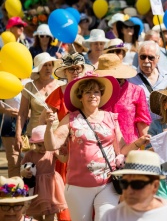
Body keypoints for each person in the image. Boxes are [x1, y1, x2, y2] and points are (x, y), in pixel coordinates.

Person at [43, 73, 150, 221]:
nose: (92, 95)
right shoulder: (71, 118)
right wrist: (49, 126)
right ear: (80, 97)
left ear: (101, 95)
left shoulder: (111, 117)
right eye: (88, 92)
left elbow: (122, 149)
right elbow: (51, 145)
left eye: (96, 92)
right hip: (78, 186)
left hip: (108, 184)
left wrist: (138, 142)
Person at [47, 52, 94, 221]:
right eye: (71, 69)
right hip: (66, 149)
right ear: (65, 72)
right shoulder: (59, 92)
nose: (75, 71)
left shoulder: (91, 91)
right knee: (66, 193)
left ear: (83, 69)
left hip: (90, 148)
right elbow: (46, 118)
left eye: (78, 68)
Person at [102, 150, 167, 221]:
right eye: (124, 183)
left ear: (155, 186)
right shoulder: (111, 217)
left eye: (137, 184)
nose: (129, 190)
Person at [95, 54, 151, 144]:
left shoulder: (136, 91)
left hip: (130, 146)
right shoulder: (95, 93)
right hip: (103, 147)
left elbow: (142, 123)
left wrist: (148, 144)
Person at [15, 53, 64, 149]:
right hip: (35, 137)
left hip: (56, 136)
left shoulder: (61, 85)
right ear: (38, 68)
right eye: (45, 65)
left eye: (50, 65)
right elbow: (23, 113)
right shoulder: (29, 86)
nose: (48, 68)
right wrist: (18, 135)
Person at [21, 125, 67, 221]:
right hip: (36, 187)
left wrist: (66, 152)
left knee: (50, 212)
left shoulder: (52, 151)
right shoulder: (30, 154)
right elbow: (22, 168)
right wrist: (25, 172)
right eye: (39, 145)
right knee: (37, 213)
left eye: (45, 144)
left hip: (51, 186)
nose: (43, 148)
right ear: (33, 144)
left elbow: (63, 160)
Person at [128, 41, 167, 121]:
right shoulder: (130, 79)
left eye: (151, 57)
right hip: (141, 129)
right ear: (138, 57)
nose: (146, 61)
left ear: (158, 58)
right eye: (143, 57)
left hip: (163, 127)